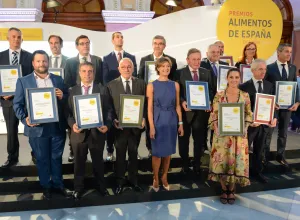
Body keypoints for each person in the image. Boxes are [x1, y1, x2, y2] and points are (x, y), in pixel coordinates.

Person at [13, 50, 71, 200]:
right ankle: (46, 187)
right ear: (33, 63)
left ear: (48, 62)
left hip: (57, 127)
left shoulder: (58, 80)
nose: (41, 64)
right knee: (42, 158)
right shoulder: (23, 81)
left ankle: (58, 185)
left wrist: (63, 96)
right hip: (37, 129)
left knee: (56, 158)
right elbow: (17, 104)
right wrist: (25, 118)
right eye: (38, 61)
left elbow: (68, 101)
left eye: (44, 61)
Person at [68, 62, 114, 200]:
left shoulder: (102, 89)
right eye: (84, 71)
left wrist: (107, 124)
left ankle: (101, 187)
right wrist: (72, 125)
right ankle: (78, 188)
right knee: (79, 163)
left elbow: (109, 110)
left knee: (98, 162)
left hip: (97, 133)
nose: (87, 74)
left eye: (90, 71)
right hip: (78, 134)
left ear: (94, 73)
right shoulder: (73, 90)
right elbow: (68, 113)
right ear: (79, 73)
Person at [208, 68, 252, 205]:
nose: (234, 80)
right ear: (227, 78)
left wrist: (245, 128)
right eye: (231, 77)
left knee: (236, 162)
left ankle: (231, 190)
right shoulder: (219, 95)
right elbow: (214, 113)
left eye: (236, 77)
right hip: (222, 136)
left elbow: (248, 114)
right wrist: (216, 127)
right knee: (222, 161)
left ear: (240, 79)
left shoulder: (245, 95)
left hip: (239, 137)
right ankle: (223, 189)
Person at [107, 58, 146, 195]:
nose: (127, 69)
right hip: (120, 127)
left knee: (134, 153)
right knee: (120, 155)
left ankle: (134, 180)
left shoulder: (141, 83)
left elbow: (146, 104)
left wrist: (144, 118)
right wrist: (113, 121)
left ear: (133, 68)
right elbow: (109, 107)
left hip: (136, 127)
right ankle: (120, 182)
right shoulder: (111, 85)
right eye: (123, 67)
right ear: (119, 69)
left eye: (129, 66)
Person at [147, 57, 183, 192]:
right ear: (157, 68)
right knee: (156, 153)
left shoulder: (175, 85)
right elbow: (149, 109)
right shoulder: (151, 85)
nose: (165, 69)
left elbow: (178, 105)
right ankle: (155, 177)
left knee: (168, 152)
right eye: (162, 66)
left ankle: (164, 177)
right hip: (157, 121)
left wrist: (180, 123)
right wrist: (151, 126)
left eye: (168, 66)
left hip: (171, 121)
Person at [138, 35, 177, 157]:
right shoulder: (144, 59)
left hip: (165, 99)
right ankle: (151, 150)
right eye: (155, 43)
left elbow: (173, 79)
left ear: (164, 46)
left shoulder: (172, 60)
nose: (157, 45)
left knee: (165, 128)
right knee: (151, 126)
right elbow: (140, 79)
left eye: (160, 43)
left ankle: (165, 152)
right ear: (152, 45)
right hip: (150, 97)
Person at [0, 27, 34, 168]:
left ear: (22, 39)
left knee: (32, 129)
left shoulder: (30, 57)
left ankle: (36, 156)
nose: (16, 39)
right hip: (7, 101)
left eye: (19, 37)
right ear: (8, 38)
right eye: (13, 37)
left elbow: (34, 78)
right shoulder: (0, 56)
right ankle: (12, 158)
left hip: (26, 101)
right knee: (11, 131)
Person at [239, 59, 277, 183]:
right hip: (250, 125)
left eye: (265, 69)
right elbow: (242, 107)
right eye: (260, 69)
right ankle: (244, 173)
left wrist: (274, 117)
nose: (263, 72)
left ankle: (257, 172)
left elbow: (273, 104)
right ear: (253, 70)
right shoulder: (243, 86)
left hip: (264, 125)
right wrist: (249, 121)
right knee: (245, 149)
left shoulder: (269, 85)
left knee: (259, 150)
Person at [177, 48, 213, 174]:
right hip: (186, 113)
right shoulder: (179, 73)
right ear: (187, 60)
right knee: (183, 141)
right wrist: (182, 101)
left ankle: (197, 165)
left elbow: (211, 91)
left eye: (199, 59)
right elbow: (177, 93)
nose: (197, 62)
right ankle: (185, 165)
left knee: (199, 141)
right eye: (194, 59)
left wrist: (209, 101)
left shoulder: (206, 73)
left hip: (201, 114)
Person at [102, 31, 137, 161]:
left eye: (122, 37)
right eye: (117, 37)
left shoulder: (131, 57)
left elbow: (135, 76)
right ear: (112, 40)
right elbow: (105, 79)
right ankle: (110, 150)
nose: (120, 39)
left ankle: (133, 152)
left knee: (130, 127)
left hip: (129, 95)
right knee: (112, 125)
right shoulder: (106, 58)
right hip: (114, 95)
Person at [264, 43, 299, 168]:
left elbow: (295, 86)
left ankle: (280, 155)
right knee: (269, 132)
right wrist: (271, 101)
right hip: (273, 106)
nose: (289, 54)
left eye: (290, 51)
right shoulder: (269, 68)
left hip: (288, 106)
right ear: (278, 53)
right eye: (286, 51)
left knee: (283, 132)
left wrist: (297, 102)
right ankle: (265, 157)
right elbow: (266, 87)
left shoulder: (293, 68)